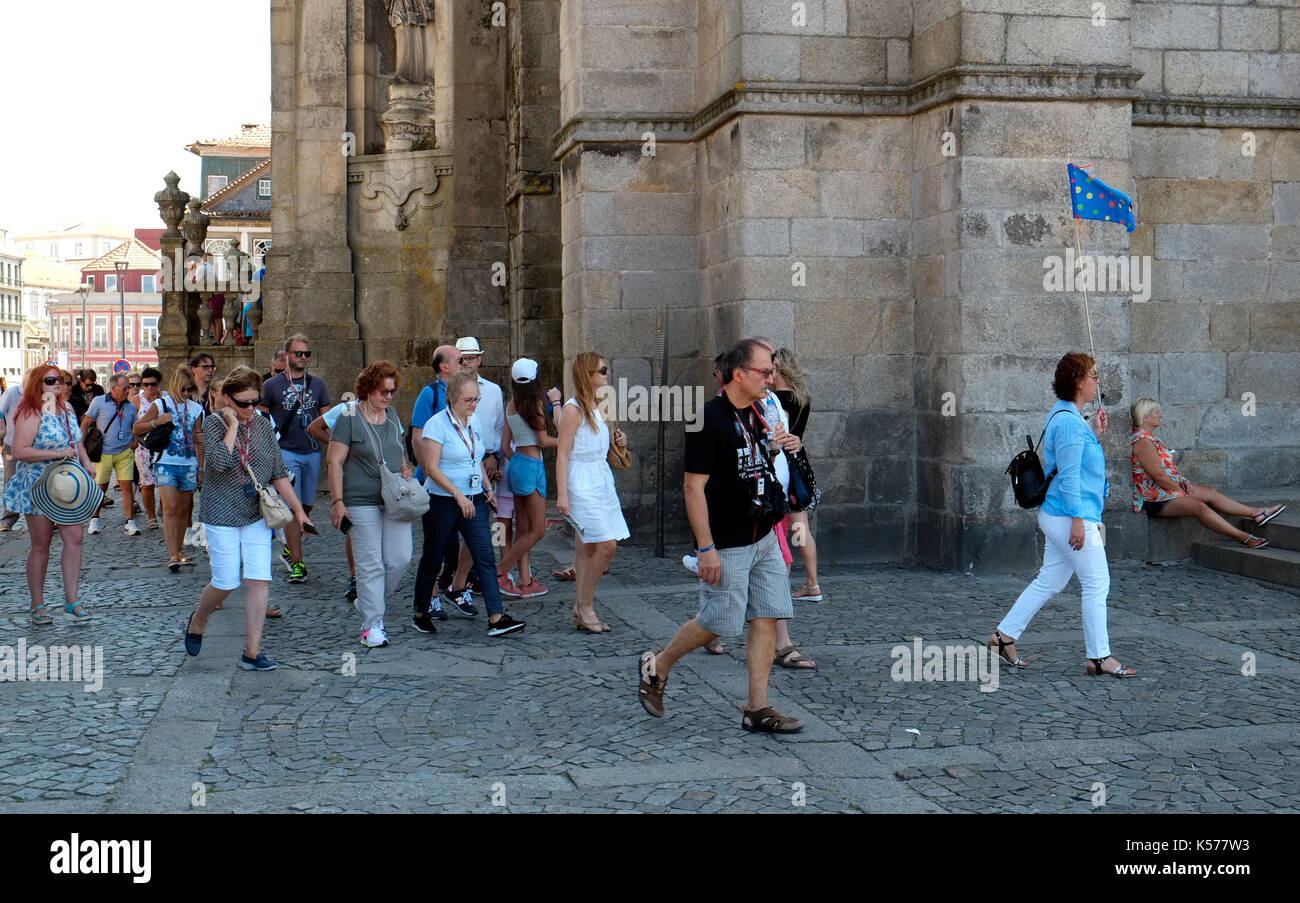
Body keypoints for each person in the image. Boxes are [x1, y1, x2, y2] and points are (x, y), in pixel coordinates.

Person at [638, 339, 805, 732]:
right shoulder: (707, 419)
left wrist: (789, 445)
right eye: (765, 371)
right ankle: (657, 666)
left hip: (764, 531)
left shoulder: (763, 410)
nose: (772, 377)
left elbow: (762, 459)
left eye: (772, 370)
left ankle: (757, 708)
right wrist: (706, 548)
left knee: (767, 614)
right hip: (727, 539)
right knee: (717, 623)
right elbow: (693, 488)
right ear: (739, 374)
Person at [989, 352, 1136, 678]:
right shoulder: (1070, 424)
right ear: (1078, 382)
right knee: (1098, 582)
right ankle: (1099, 657)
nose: (1098, 381)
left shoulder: (1068, 417)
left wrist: (1092, 430)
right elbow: (1069, 478)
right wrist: (1079, 523)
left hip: (1059, 513)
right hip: (1069, 515)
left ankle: (1003, 637)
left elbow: (1073, 461)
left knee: (1050, 579)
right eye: (1093, 376)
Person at [182, 367, 313, 670]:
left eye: (255, 402)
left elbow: (279, 473)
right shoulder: (213, 425)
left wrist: (299, 512)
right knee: (225, 581)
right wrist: (231, 425)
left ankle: (252, 652)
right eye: (243, 403)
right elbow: (221, 463)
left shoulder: (264, 426)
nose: (251, 409)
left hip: (256, 512)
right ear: (227, 399)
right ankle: (199, 619)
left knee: (259, 580)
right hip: (221, 512)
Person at [416, 371, 525, 636]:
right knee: (434, 556)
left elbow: (475, 458)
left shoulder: (473, 421)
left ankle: (496, 618)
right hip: (442, 501)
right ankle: (420, 612)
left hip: (474, 497)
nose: (473, 405)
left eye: (476, 399)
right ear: (452, 397)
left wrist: (488, 489)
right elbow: (431, 467)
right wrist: (457, 494)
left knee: (485, 555)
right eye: (468, 400)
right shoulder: (436, 425)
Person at [328, 362, 414, 647]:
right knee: (370, 564)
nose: (388, 397)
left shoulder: (391, 416)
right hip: (359, 499)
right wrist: (338, 501)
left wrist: (405, 468)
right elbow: (335, 460)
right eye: (383, 391)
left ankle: (368, 600)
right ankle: (372, 625)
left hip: (394, 499)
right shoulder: (349, 415)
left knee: (400, 558)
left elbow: (399, 453)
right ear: (367, 390)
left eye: (392, 391)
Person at [4, 365, 97, 623]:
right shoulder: (30, 411)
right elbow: (19, 451)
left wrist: (86, 461)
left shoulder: (66, 408)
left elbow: (76, 441)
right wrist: (57, 454)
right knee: (41, 544)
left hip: (68, 484)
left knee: (75, 538)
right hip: (38, 485)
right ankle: (38, 604)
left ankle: (72, 600)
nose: (59, 385)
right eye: (51, 380)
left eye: (63, 380)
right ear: (38, 384)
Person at [1130, 397, 1283, 547]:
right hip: (1154, 499)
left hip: (1166, 490)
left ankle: (1257, 513)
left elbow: (1166, 470)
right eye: (1156, 412)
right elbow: (1158, 475)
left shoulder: (1150, 438)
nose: (1160, 415)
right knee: (1199, 506)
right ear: (1145, 417)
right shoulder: (1143, 441)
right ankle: (1243, 537)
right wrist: (1180, 492)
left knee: (1210, 492)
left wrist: (1183, 481)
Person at [556, 351, 630, 631]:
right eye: (602, 370)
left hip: (601, 480)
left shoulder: (600, 407)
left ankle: (581, 608)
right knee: (606, 545)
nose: (606, 374)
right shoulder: (573, 409)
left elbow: (604, 449)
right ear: (587, 375)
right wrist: (562, 495)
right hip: (581, 483)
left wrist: (619, 442)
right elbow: (562, 455)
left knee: (586, 549)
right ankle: (585, 605)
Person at [262, 332, 332, 584]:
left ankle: (289, 548)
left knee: (308, 506)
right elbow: (260, 421)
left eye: (306, 354)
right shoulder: (271, 386)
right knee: (293, 509)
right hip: (286, 453)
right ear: (286, 355)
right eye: (298, 353)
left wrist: (335, 447)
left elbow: (328, 421)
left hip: (312, 451)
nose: (303, 358)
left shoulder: (318, 384)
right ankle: (298, 564)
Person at [442, 337, 505, 602]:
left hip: (486, 463)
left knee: (482, 526)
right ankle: (451, 574)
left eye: (472, 357)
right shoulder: (445, 390)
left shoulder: (494, 391)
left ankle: (472, 575)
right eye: (462, 358)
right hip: (456, 466)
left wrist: (494, 458)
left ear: (480, 359)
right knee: (449, 526)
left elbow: (499, 426)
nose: (467, 362)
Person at [496, 358, 558, 599]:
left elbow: (504, 446)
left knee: (523, 530)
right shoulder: (536, 404)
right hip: (531, 465)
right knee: (538, 529)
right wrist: (569, 442)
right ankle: (500, 571)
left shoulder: (512, 404)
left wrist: (519, 463)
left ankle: (526, 582)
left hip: (517, 463)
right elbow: (543, 441)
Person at [410, 343, 462, 620]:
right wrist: (428, 470)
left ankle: (451, 584)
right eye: (460, 359)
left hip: (459, 483)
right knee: (435, 542)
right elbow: (417, 436)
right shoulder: (429, 394)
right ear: (445, 366)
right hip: (433, 481)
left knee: (454, 544)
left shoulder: (462, 394)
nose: (464, 362)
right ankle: (429, 598)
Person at [136, 366, 205, 571]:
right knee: (170, 509)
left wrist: (201, 468)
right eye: (183, 389)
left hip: (189, 464)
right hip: (166, 463)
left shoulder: (196, 408)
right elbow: (138, 427)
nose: (186, 393)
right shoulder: (161, 404)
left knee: (184, 511)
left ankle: (180, 551)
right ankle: (173, 554)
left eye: (190, 389)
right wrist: (157, 421)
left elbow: (199, 440)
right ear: (175, 386)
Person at [772, 347, 821, 600]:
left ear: (777, 367)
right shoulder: (803, 397)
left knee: (779, 528)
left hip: (783, 463)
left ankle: (777, 585)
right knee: (801, 528)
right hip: (799, 462)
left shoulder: (776, 399)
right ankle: (812, 583)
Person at [309, 392, 362, 602]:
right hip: (352, 476)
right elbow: (313, 427)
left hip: (378, 477)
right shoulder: (348, 409)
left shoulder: (386, 412)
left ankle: (372, 574)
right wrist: (337, 444)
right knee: (353, 527)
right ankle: (356, 576)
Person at [82, 373, 141, 537]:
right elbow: (86, 422)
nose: (127, 391)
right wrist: (81, 445)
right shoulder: (99, 402)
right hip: (104, 452)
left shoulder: (130, 406)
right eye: (124, 388)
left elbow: (135, 426)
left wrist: (135, 442)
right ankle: (94, 519)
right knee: (101, 487)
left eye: (128, 388)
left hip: (124, 452)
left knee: (127, 486)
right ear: (113, 389)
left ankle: (130, 522)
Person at [132, 367, 163, 529]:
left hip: (164, 445)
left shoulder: (166, 398)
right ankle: (151, 517)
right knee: (147, 482)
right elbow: (131, 423)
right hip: (143, 447)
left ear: (159, 384)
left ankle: (162, 507)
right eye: (146, 384)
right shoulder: (137, 400)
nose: (149, 388)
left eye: (153, 384)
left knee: (165, 481)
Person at [0, 377, 24, 532]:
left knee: (41, 480)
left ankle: (45, 517)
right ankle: (8, 519)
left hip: (36, 446)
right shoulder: (11, 393)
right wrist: (3, 428)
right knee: (11, 481)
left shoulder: (42, 394)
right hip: (12, 444)